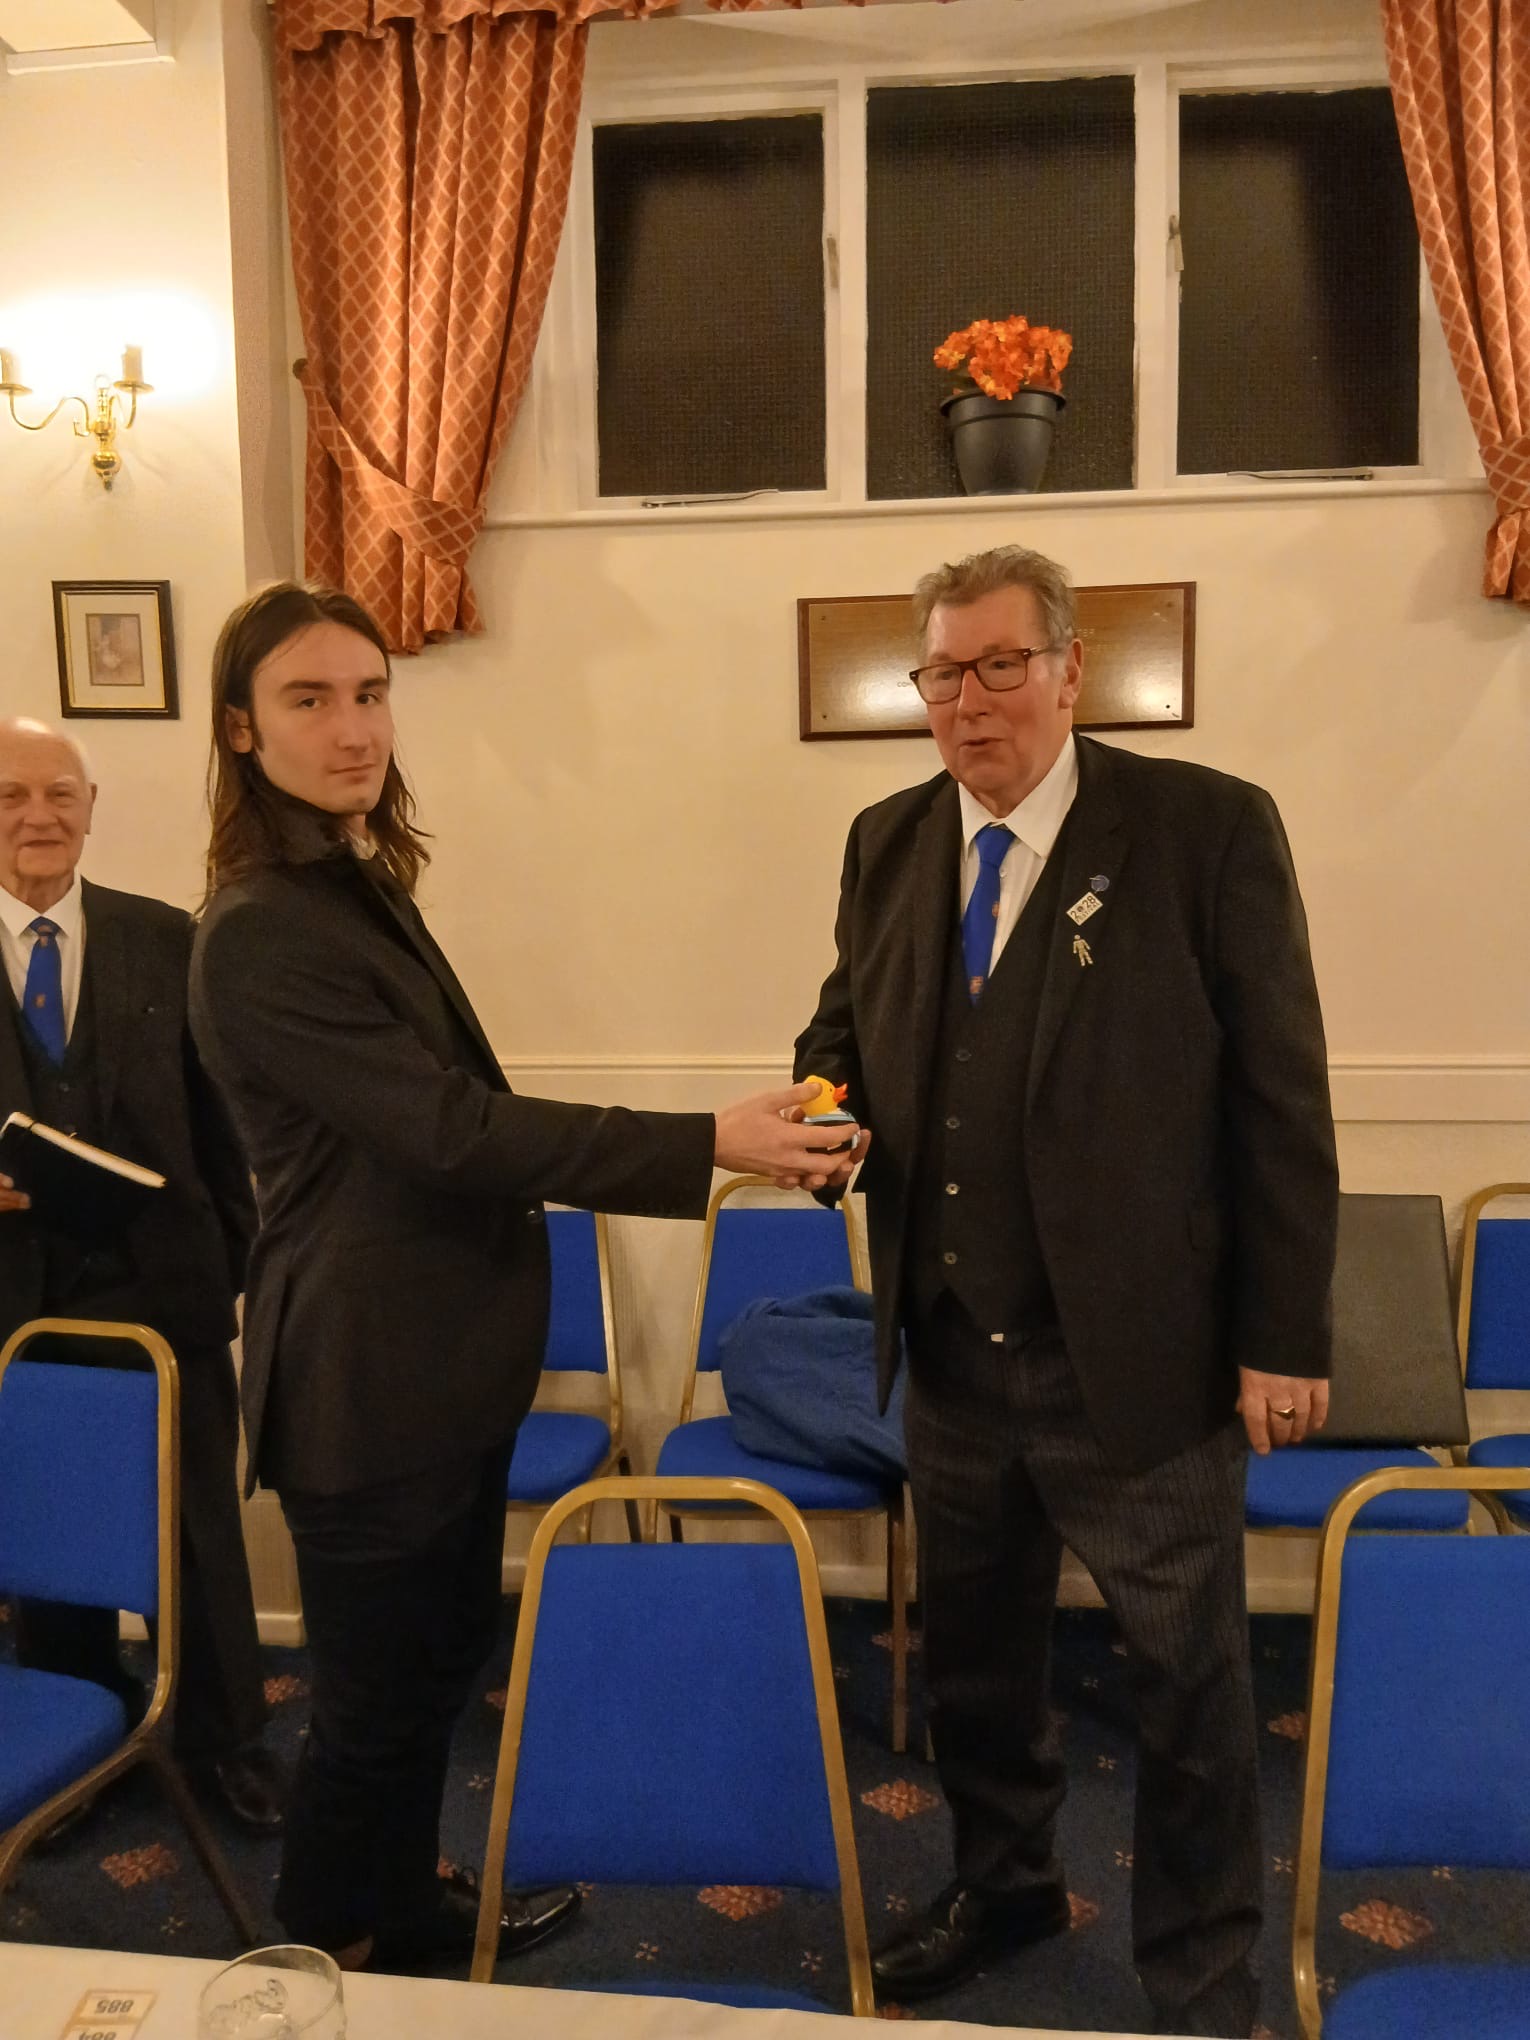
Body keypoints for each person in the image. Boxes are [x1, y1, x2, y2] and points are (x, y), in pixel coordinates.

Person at [188, 581, 862, 1976]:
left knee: (430, 1675)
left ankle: (413, 1911)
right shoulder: (258, 928)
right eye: (309, 700)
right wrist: (704, 1142)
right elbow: (446, 1130)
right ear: (240, 730)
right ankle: (321, 1959)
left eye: (370, 692)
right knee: (373, 1702)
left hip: (432, 1368)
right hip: (362, 1385)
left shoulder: (345, 884)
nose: (354, 725)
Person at [793, 545, 1338, 2038]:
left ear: (1067, 670)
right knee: (974, 1668)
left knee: (1189, 1694)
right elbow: (844, 1023)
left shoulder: (1203, 831)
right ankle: (1006, 1884)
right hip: (953, 1362)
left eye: (999, 667)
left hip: (1143, 1370)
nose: (969, 705)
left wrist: (1282, 1336)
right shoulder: (884, 842)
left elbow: (1278, 1102)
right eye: (941, 676)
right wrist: (818, 1110)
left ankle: (1204, 1973)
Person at [0, 717, 280, 1833]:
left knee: (198, 1526)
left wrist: (238, 1259)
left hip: (164, 1290)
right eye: (10, 795)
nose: (37, 817)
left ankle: (231, 1743)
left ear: (93, 803)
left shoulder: (171, 938)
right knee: (45, 1519)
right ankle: (75, 1726)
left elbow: (232, 1128)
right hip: (14, 1302)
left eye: (60, 794)